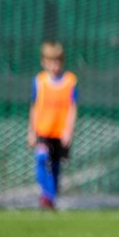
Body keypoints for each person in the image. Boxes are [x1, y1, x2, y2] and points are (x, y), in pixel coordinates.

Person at [26, 40, 77, 209]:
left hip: (59, 132)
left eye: (57, 61)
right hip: (43, 130)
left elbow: (72, 108)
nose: (54, 65)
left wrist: (69, 131)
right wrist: (31, 131)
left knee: (55, 166)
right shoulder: (39, 81)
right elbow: (34, 107)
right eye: (50, 61)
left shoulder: (70, 81)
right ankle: (46, 195)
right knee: (41, 159)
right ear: (44, 62)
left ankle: (51, 198)